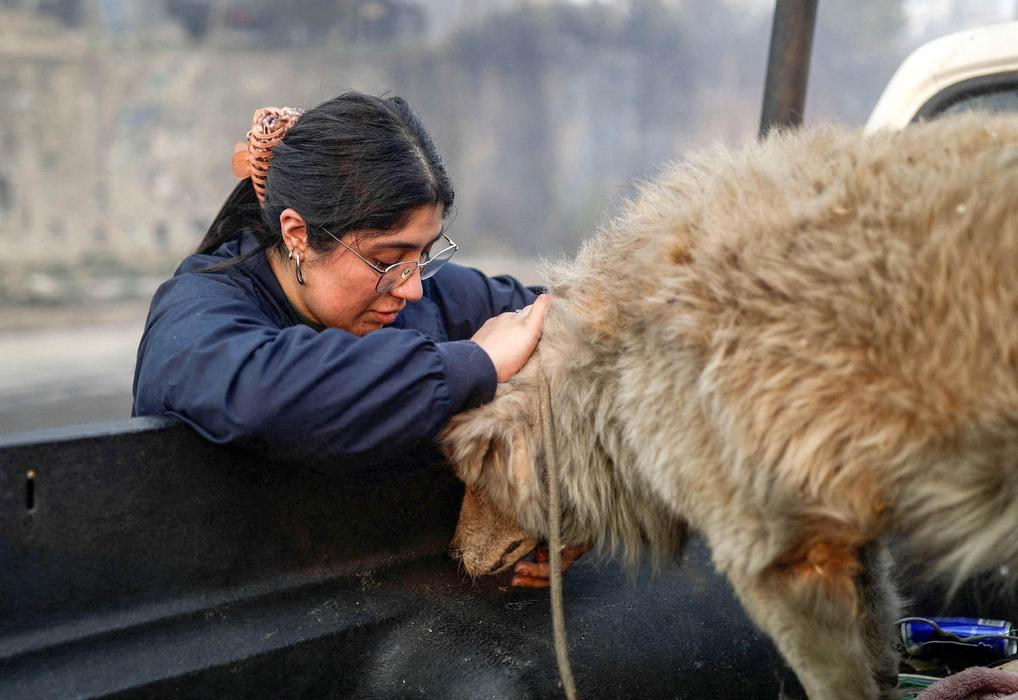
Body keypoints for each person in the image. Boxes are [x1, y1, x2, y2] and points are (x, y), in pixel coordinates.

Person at [132, 91, 578, 587]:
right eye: (387, 260)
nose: (410, 287)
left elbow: (560, 313)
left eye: (425, 255)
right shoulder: (195, 315)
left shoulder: (415, 291)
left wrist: (573, 502)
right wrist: (476, 363)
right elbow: (266, 391)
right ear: (298, 234)